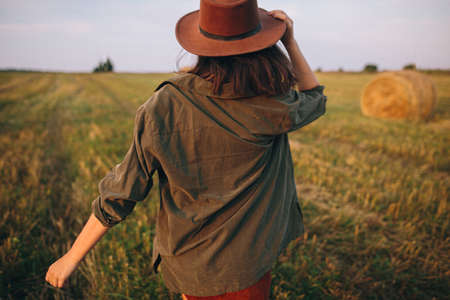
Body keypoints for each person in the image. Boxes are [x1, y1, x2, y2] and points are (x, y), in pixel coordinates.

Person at [45, 0, 327, 298]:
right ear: (263, 46)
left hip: (189, 265)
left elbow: (121, 191)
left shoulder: (163, 105)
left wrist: (72, 257)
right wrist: (291, 43)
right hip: (248, 264)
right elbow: (315, 98)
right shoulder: (273, 104)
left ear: (201, 43)